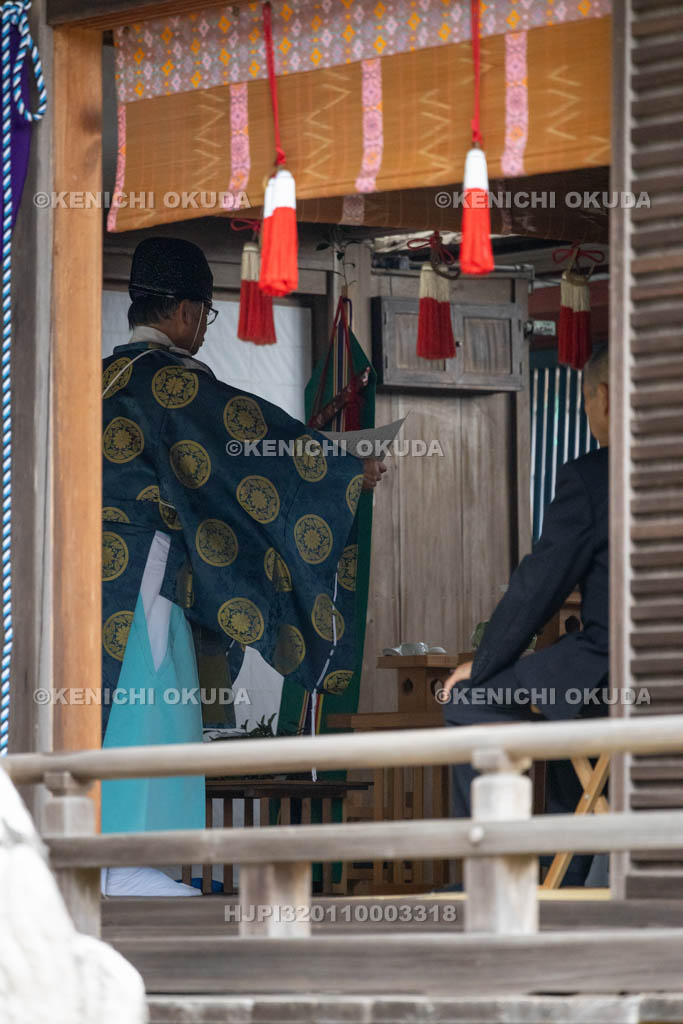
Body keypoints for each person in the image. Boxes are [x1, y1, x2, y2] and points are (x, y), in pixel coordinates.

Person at [101, 237, 384, 896]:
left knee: (108, 703)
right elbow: (248, 445)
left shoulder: (98, 375)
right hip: (143, 567)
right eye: (205, 315)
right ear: (185, 312)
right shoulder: (171, 382)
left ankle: (110, 858)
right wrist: (345, 468)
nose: (203, 329)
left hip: (77, 572)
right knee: (147, 700)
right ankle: (126, 863)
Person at [442, 345, 609, 886]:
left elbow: (538, 588)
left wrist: (485, 662)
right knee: (564, 708)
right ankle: (563, 872)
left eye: (586, 404)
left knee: (469, 703)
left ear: (605, 398)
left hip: (612, 671)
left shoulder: (595, 477)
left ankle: (496, 876)